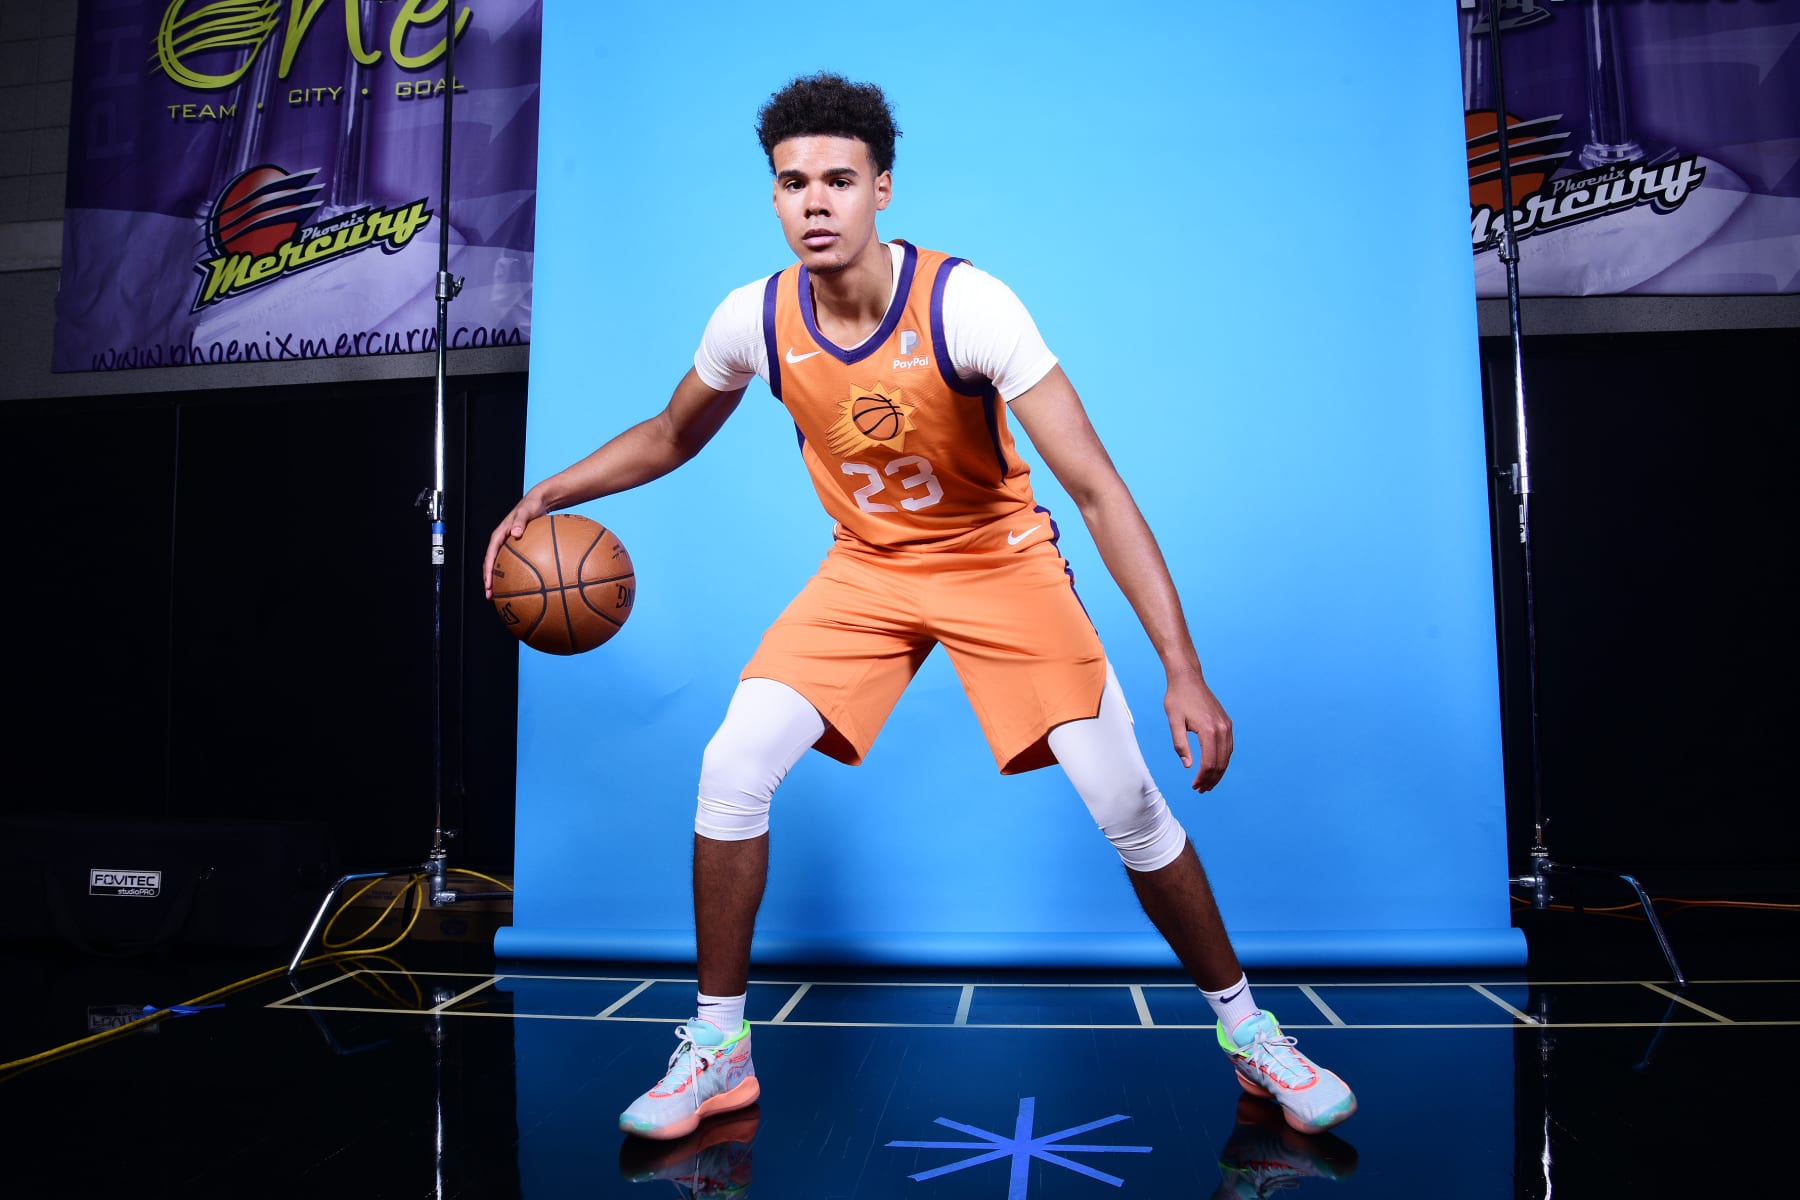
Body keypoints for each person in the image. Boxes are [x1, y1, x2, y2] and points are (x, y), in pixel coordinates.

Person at [484, 72, 1356, 1143]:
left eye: (838, 180)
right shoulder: (752, 318)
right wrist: (549, 490)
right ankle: (718, 1049)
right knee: (731, 764)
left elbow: (1095, 488)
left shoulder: (967, 305)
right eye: (793, 182)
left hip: (1000, 564)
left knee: (1126, 803)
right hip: (869, 570)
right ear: (772, 197)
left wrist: (1182, 666)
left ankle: (1251, 1037)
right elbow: (671, 434)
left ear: (881, 188)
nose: (815, 202)